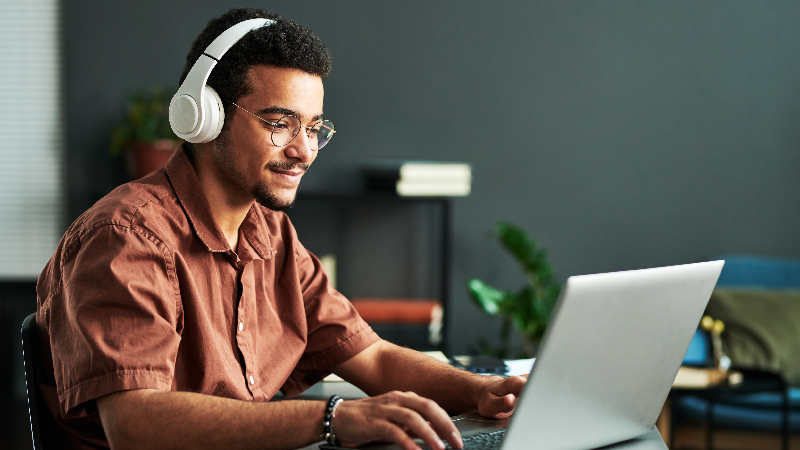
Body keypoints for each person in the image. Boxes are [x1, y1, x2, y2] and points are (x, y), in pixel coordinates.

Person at [36, 8, 526, 450]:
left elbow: (371, 358)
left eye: (313, 128)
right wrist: (332, 418)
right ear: (205, 116)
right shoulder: (126, 235)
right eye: (280, 123)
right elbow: (134, 423)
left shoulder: (272, 235)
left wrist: (483, 391)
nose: (304, 151)